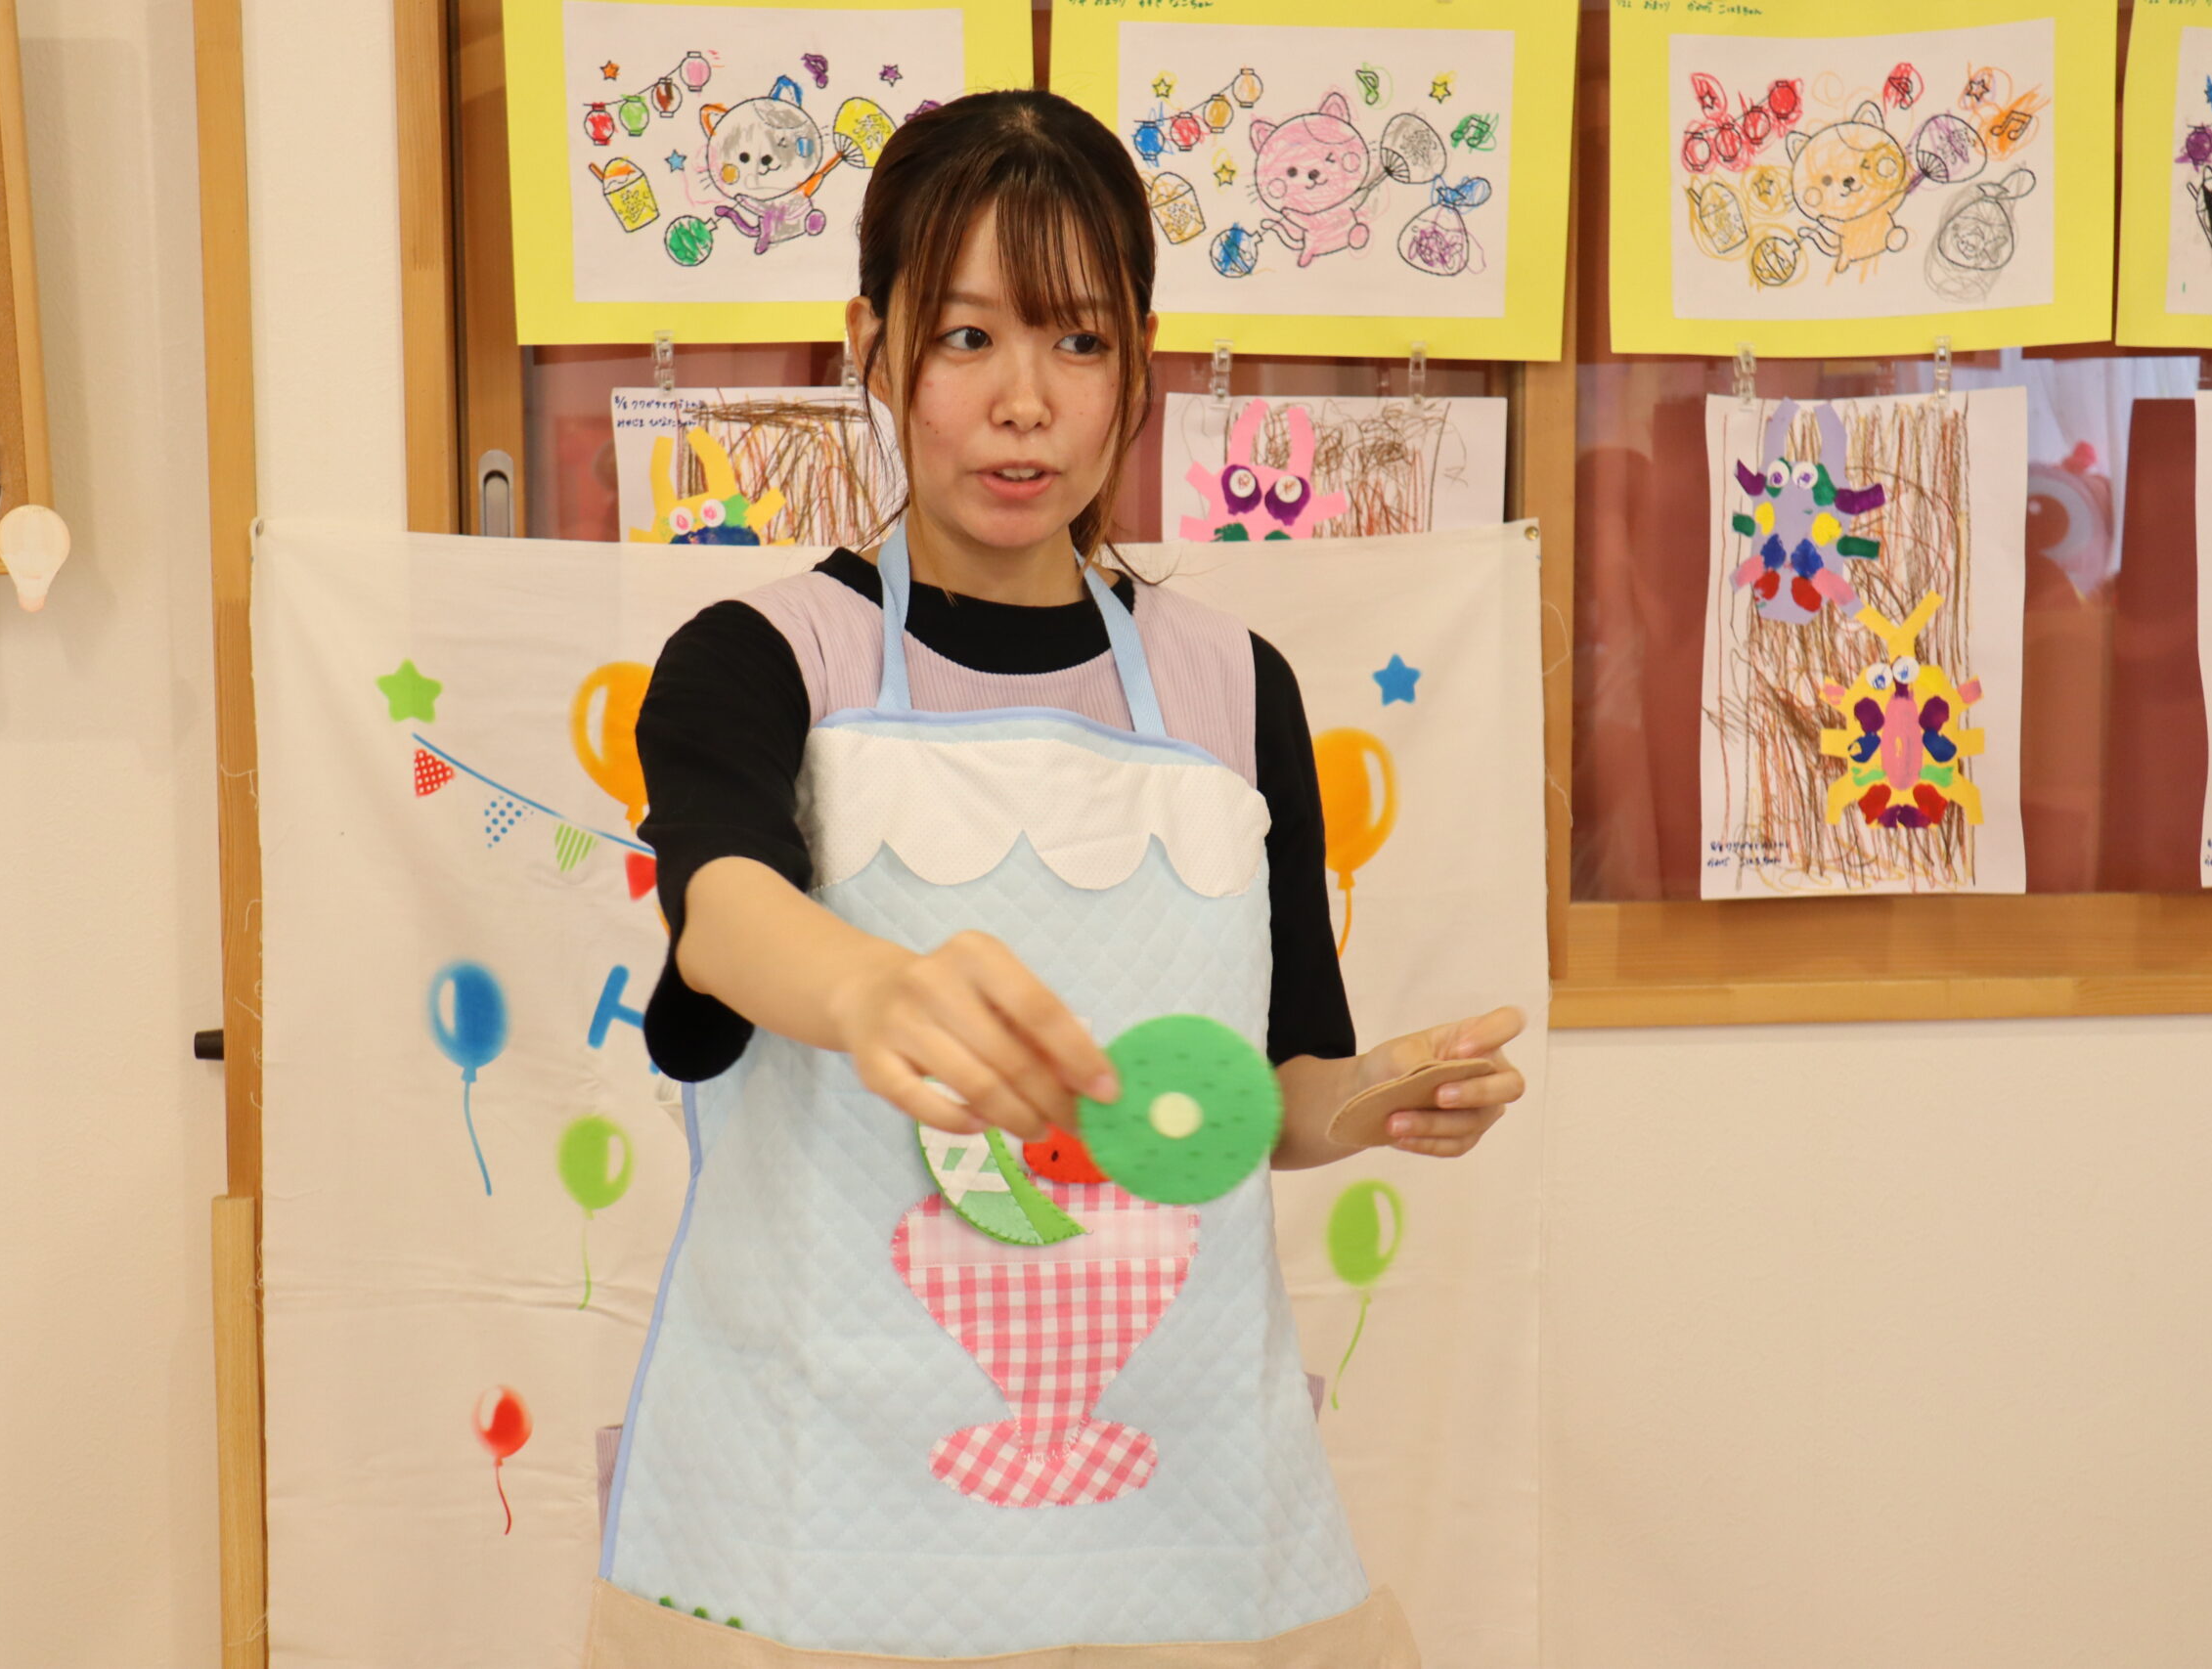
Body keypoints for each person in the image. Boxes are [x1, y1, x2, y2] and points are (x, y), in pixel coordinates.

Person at [593, 88, 1526, 1669]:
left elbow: (1263, 1090)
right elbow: (725, 912)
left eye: (1078, 342)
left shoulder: (1234, 685)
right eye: (966, 338)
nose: (1024, 404)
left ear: (1139, 364)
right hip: (819, 1506)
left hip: (1180, 1493)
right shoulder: (763, 658)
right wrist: (873, 990)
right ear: (872, 345)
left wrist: (1366, 1097)